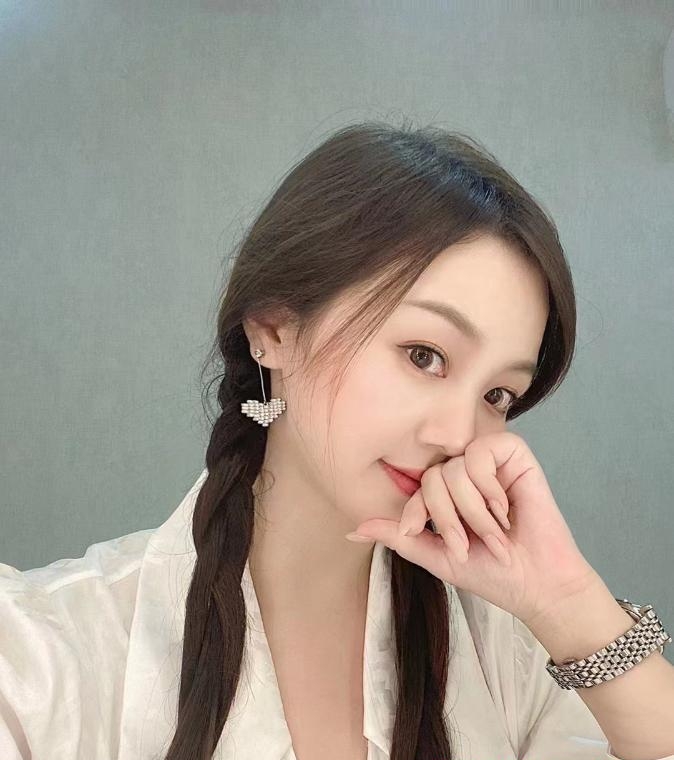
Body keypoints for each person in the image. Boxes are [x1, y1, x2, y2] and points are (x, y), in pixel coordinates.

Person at [1, 121, 672, 760]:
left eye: (497, 395)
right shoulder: (42, 660)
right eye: (425, 355)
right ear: (274, 329)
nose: (457, 435)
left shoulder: (511, 657)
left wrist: (568, 603)